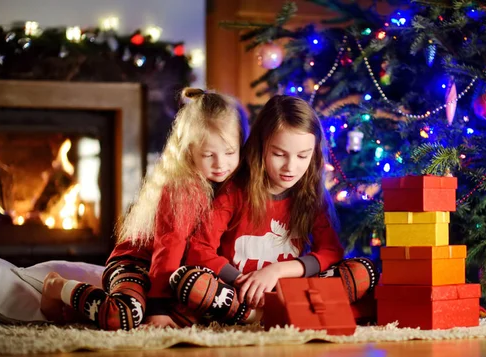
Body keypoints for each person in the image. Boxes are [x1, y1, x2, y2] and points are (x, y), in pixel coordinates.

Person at [40, 88, 249, 330]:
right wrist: (158, 309)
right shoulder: (183, 189)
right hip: (139, 263)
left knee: (198, 308)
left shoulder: (235, 186)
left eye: (230, 153)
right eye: (208, 154)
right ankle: (57, 287)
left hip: (179, 274)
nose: (220, 164)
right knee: (124, 316)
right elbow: (168, 248)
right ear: (189, 151)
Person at [168, 95, 378, 325]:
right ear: (261, 148)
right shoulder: (235, 191)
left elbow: (330, 251)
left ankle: (281, 311)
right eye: (279, 154)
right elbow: (199, 249)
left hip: (292, 289)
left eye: (302, 156)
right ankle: (259, 315)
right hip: (240, 292)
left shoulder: (312, 196)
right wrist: (242, 281)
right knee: (187, 281)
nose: (291, 167)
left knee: (362, 270)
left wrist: (278, 271)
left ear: (314, 153)